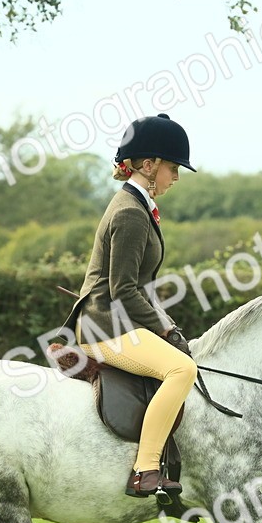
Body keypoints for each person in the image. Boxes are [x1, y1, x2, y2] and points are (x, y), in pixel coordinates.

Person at [61, 113, 198, 499]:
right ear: (148, 165)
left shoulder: (136, 206)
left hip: (116, 322)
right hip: (105, 327)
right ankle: (145, 468)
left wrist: (167, 324)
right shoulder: (130, 214)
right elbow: (124, 291)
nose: (176, 177)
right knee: (181, 369)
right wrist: (166, 331)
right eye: (173, 168)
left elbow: (141, 288)